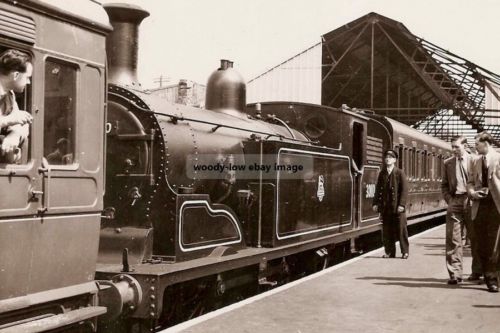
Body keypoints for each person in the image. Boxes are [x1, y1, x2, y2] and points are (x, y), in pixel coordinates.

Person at [441, 136, 481, 285]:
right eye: (452, 147)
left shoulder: (475, 160)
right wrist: (449, 200)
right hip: (455, 201)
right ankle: (455, 274)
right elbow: (444, 184)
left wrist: (476, 196)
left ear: (464, 146)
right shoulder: (448, 163)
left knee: (475, 237)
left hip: (472, 201)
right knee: (453, 238)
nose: (453, 150)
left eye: (456, 147)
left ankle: (477, 271)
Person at [467, 131, 500, 292]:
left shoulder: (499, 158)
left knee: (494, 243)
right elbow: (470, 182)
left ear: (486, 144)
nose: (475, 147)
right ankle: (490, 276)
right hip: (480, 206)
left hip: (497, 206)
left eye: (477, 144)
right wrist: (472, 193)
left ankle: (492, 279)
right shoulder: (475, 161)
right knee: (482, 244)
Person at [372, 149, 409, 259]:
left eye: (390, 157)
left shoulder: (399, 173)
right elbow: (378, 189)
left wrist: (402, 205)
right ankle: (389, 252)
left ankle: (405, 251)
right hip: (386, 207)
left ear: (394, 160)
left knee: (401, 229)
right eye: (386, 157)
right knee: (387, 230)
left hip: (397, 207)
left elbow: (404, 190)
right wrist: (375, 203)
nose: (387, 159)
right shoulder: (382, 173)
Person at [0, 49, 33, 163]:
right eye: (27, 77)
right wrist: (9, 120)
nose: (28, 82)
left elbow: (21, 124)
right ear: (16, 75)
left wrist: (14, 134)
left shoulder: (10, 95)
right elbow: (14, 119)